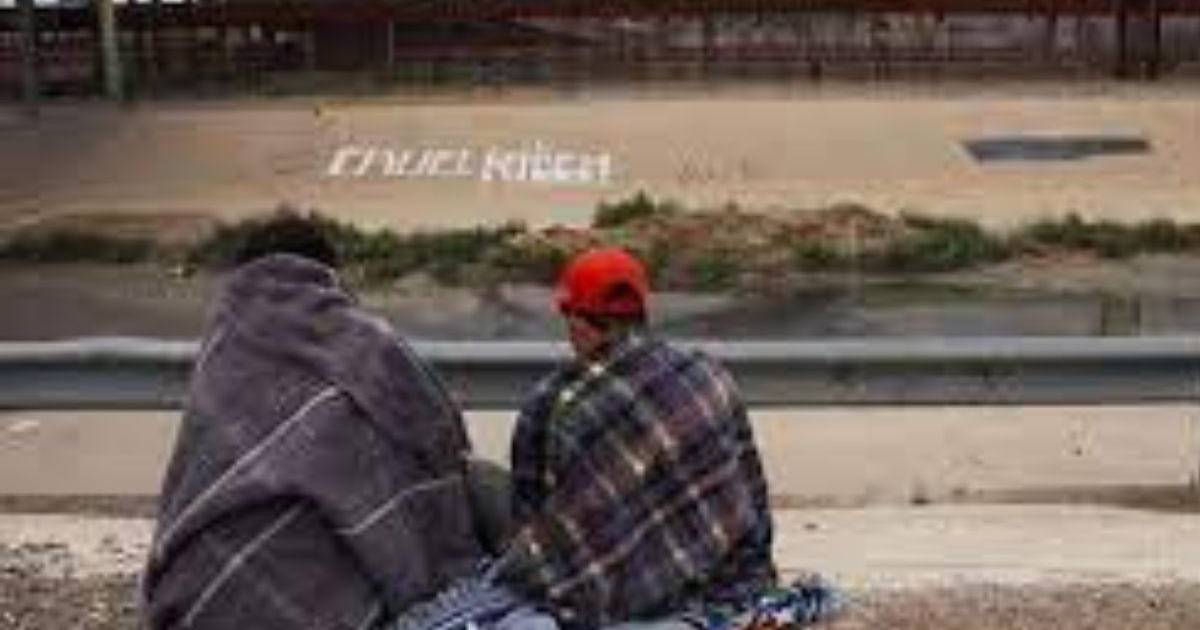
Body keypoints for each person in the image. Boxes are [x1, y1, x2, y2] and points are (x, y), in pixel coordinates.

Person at [142, 211, 486, 629]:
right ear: (328, 274)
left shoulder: (222, 354)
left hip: (200, 597)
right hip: (331, 606)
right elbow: (438, 444)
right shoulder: (370, 347)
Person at [499, 247, 779, 628]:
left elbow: (536, 533)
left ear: (577, 320)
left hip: (615, 605)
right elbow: (753, 497)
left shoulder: (554, 406)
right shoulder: (709, 375)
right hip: (730, 587)